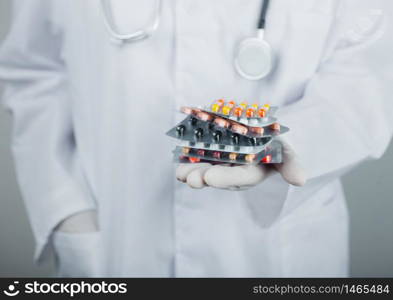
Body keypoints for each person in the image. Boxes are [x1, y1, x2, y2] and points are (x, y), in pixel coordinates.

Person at [0, 0, 391, 277]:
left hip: (278, 253)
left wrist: (293, 141)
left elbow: (369, 75)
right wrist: (67, 210)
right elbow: (34, 70)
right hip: (116, 239)